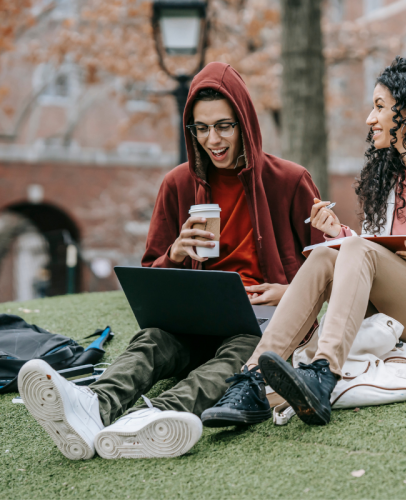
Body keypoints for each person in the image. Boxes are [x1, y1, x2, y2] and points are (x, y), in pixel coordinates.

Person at [17, 62, 324, 460]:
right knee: (152, 340)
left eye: (224, 126)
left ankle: (153, 418)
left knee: (238, 353)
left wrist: (288, 291)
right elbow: (151, 279)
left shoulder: (290, 180)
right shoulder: (177, 184)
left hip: (261, 323)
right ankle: (93, 406)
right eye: (201, 128)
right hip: (194, 321)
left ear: (245, 122)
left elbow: (328, 268)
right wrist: (175, 254)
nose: (212, 139)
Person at [204, 56, 406, 427]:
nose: (370, 119)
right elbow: (373, 256)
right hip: (399, 315)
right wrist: (339, 236)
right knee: (328, 252)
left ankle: (323, 371)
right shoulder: (387, 183)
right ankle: (252, 379)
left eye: (379, 107)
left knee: (352, 249)